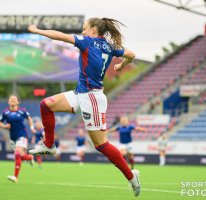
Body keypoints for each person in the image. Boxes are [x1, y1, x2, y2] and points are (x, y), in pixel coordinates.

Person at [28, 17, 141, 196]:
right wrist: (121, 65)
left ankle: (131, 176)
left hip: (92, 98)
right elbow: (132, 54)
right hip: (80, 93)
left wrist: (37, 31)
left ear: (94, 30)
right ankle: (49, 145)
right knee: (46, 105)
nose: (82, 32)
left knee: (101, 144)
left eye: (84, 29)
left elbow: (60, 36)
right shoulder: (110, 47)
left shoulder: (88, 42)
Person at [0, 95, 36, 183]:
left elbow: (29, 118)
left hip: (22, 136)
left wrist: (32, 127)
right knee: (19, 156)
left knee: (17, 153)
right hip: (13, 138)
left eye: (14, 99)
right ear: (8, 102)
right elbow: (0, 122)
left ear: (18, 102)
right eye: (10, 99)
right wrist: (4, 126)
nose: (12, 100)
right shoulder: (5, 113)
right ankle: (30, 157)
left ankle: (15, 177)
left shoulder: (22, 111)